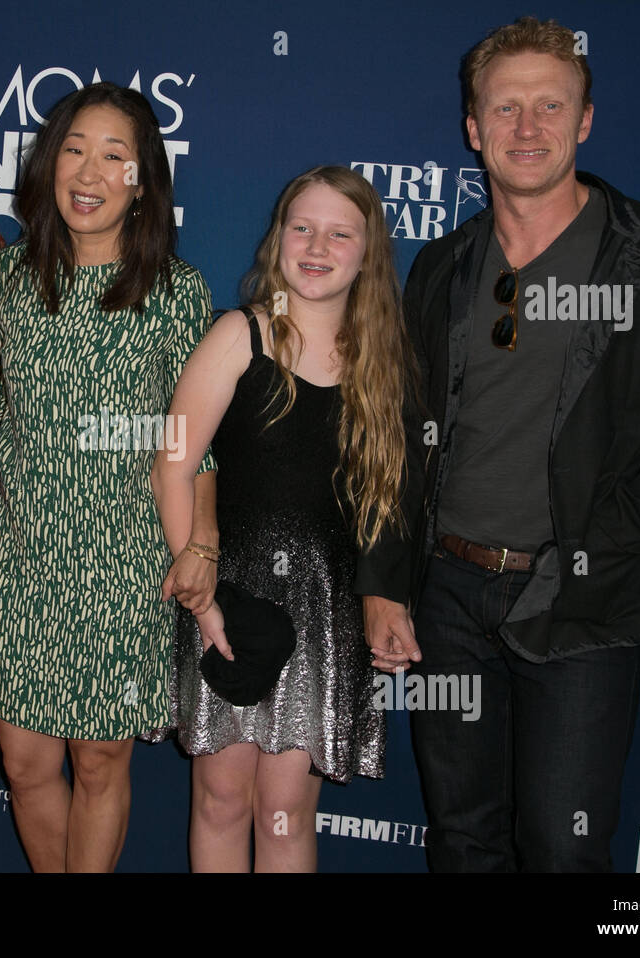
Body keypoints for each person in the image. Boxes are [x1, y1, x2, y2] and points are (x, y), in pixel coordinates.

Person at [365, 16, 640, 871]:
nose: (528, 128)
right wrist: (384, 581)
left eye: (550, 105)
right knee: (462, 836)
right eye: (506, 108)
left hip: (584, 604)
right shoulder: (442, 265)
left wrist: (638, 512)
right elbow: (400, 436)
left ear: (585, 120)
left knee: (563, 848)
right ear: (473, 128)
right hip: (447, 600)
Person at [0, 82, 219, 873]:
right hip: (24, 553)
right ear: (47, 164)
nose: (90, 171)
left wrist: (201, 542)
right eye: (75, 148)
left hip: (123, 559)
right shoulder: (7, 278)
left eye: (116, 155)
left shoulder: (177, 293)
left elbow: (193, 443)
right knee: (24, 765)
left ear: (144, 179)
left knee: (101, 760)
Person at [148, 166, 417, 871]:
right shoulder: (240, 336)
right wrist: (198, 589)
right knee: (220, 798)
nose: (317, 245)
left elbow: (385, 506)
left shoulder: (382, 364)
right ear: (277, 238)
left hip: (325, 613)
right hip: (231, 598)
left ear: (369, 251)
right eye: (302, 226)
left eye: (340, 231)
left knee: (286, 809)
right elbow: (173, 463)